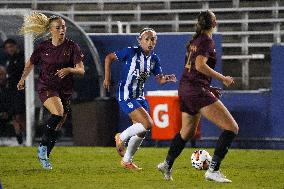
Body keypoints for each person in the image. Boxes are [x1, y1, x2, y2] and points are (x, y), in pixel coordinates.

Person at [157, 10, 239, 183]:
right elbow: (199, 66)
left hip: (186, 89)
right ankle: (213, 170)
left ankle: (166, 164)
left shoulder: (194, 41)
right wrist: (222, 78)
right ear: (214, 24)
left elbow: (193, 70)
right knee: (231, 128)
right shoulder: (207, 41)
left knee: (186, 132)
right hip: (196, 90)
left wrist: (208, 87)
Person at [17, 12, 85, 169]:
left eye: (63, 27)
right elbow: (29, 64)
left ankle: (45, 156)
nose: (62, 30)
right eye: (58, 27)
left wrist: (69, 69)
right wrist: (22, 79)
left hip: (65, 90)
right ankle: (42, 146)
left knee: (58, 125)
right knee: (58, 112)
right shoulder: (43, 47)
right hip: (46, 86)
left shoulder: (72, 46)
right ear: (51, 30)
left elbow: (81, 70)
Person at [103, 28, 177, 170]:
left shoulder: (154, 59)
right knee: (148, 124)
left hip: (140, 96)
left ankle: (127, 161)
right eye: (147, 39)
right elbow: (109, 58)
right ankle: (121, 137)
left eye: (153, 39)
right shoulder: (131, 52)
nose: (150, 42)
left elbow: (159, 80)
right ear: (140, 40)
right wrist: (107, 78)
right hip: (126, 95)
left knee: (141, 131)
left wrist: (167, 78)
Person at [3, 39, 26, 145]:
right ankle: (20, 140)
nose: (9, 49)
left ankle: (27, 137)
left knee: (19, 115)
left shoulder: (22, 57)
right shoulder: (9, 60)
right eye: (7, 48)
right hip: (10, 91)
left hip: (20, 91)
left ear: (16, 46)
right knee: (13, 116)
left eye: (11, 46)